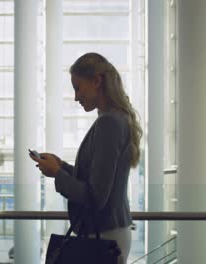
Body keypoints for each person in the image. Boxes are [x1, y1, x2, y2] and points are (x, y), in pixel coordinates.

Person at [30, 52, 142, 264]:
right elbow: (97, 180)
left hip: (104, 236)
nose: (76, 96)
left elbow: (95, 196)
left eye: (78, 87)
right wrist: (61, 166)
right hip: (110, 234)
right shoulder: (115, 119)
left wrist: (56, 174)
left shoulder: (108, 124)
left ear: (97, 81)